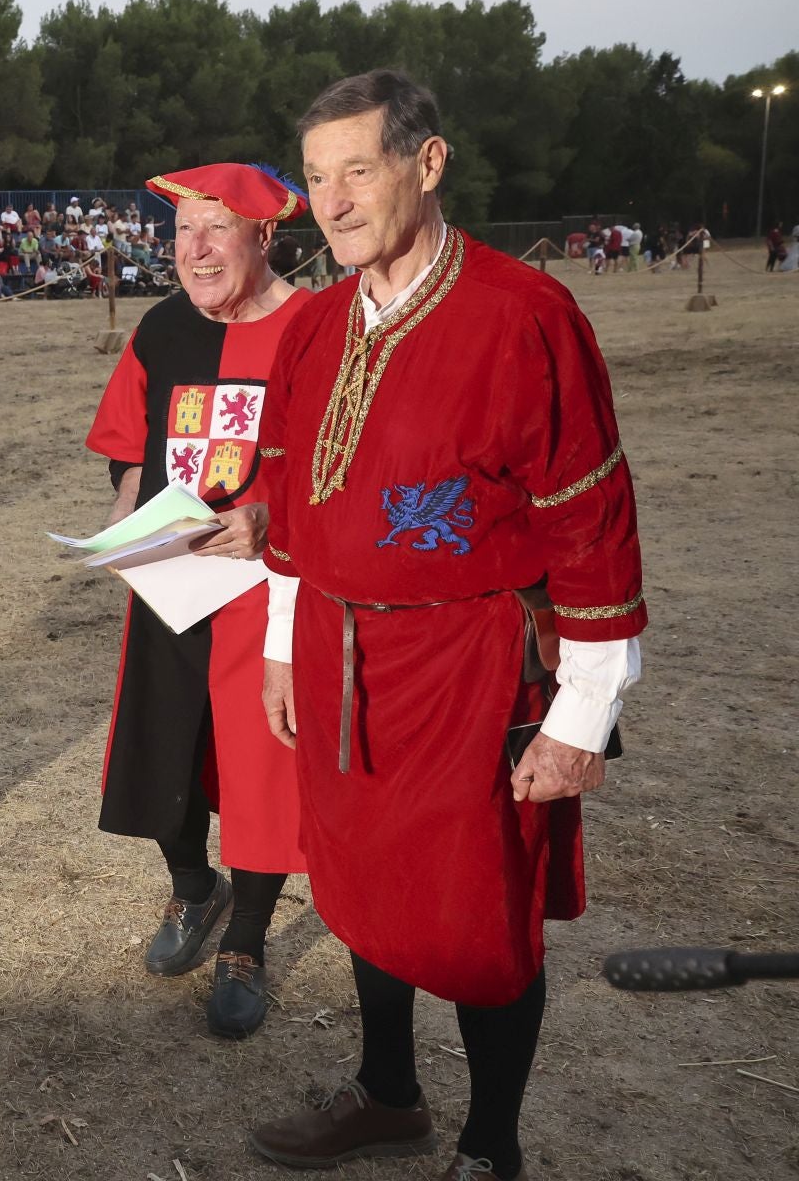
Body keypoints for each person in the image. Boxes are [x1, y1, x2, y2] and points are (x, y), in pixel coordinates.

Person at [247, 70, 645, 1181]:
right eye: (317, 178)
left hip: (473, 664)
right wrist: (283, 644)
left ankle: (491, 1144)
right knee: (366, 883)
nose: (332, 201)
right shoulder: (314, 324)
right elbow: (290, 502)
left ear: (428, 164)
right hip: (336, 650)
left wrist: (581, 714)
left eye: (357, 171)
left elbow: (591, 518)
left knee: (477, 911)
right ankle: (387, 1092)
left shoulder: (525, 314)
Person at [86, 164, 314, 1040]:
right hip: (173, 580)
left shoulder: (315, 329)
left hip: (271, 589)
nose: (198, 248)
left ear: (263, 237)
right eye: (184, 231)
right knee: (158, 753)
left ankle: (247, 942)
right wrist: (118, 530)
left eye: (219, 229)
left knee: (261, 771)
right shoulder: (161, 328)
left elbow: (339, 471)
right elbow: (132, 454)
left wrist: (268, 515)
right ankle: (193, 889)